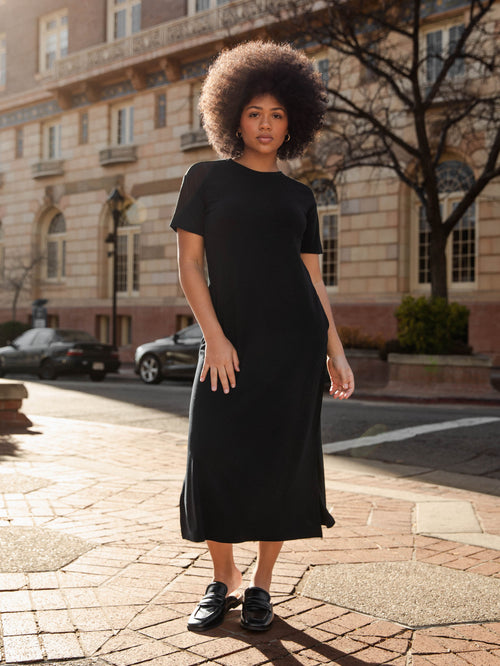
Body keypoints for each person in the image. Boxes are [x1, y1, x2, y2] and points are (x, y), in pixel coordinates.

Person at [170, 40, 354, 633]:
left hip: (292, 349)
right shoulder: (205, 180)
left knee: (282, 464)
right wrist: (215, 339)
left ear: (293, 120)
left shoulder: (301, 197)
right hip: (228, 344)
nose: (266, 124)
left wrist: (336, 352)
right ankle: (219, 579)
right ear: (232, 117)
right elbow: (191, 267)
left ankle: (260, 587)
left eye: (277, 114)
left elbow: (314, 281)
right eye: (254, 113)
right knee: (214, 457)